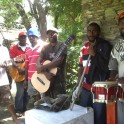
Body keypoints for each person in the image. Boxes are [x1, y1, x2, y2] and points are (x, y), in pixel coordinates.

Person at [72, 22, 112, 124]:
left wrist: (94, 54)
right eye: (89, 30)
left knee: (99, 118)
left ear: (98, 32)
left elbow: (107, 67)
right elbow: (81, 68)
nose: (91, 33)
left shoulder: (105, 45)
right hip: (85, 89)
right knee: (83, 117)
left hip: (99, 90)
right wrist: (78, 86)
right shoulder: (84, 47)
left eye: (94, 30)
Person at [36, 27, 67, 98]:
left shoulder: (62, 45)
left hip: (59, 80)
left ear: (57, 34)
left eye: (53, 33)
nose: (51, 35)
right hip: (46, 79)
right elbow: (39, 59)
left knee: (59, 102)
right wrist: (45, 73)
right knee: (47, 102)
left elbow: (58, 62)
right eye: (49, 34)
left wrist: (42, 67)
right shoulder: (45, 47)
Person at [108, 11, 124, 124]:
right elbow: (113, 64)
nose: (123, 25)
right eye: (121, 22)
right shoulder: (117, 46)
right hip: (121, 93)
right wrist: (112, 78)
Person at [24, 27, 47, 102]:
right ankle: (37, 110)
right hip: (31, 78)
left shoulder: (44, 45)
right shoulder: (27, 49)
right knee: (35, 97)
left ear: (37, 36)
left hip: (41, 76)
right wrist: (26, 80)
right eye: (29, 36)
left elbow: (49, 60)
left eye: (33, 36)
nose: (31, 38)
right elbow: (27, 65)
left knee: (44, 97)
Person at [9, 32, 29, 116]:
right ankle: (18, 110)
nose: (23, 38)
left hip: (28, 73)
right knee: (20, 92)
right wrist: (18, 67)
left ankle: (25, 109)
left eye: (24, 37)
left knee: (27, 93)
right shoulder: (14, 48)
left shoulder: (29, 47)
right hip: (18, 73)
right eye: (21, 37)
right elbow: (11, 59)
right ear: (19, 38)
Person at [0, 42, 19, 124]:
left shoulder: (4, 49)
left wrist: (7, 65)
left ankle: (15, 119)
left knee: (8, 98)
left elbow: (8, 62)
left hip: (3, 79)